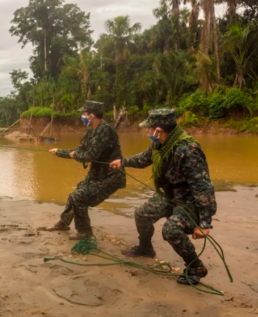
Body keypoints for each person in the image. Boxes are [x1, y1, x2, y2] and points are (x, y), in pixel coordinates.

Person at [110, 109, 216, 285]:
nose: (147, 132)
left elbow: (203, 187)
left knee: (171, 230)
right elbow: (144, 159)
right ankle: (145, 248)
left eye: (149, 128)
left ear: (158, 130)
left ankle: (195, 267)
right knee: (142, 215)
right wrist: (123, 162)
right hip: (169, 196)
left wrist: (205, 223)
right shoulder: (160, 144)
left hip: (188, 201)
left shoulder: (187, 150)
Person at [41, 100, 126, 240]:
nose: (82, 116)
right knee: (74, 194)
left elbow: (89, 156)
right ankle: (63, 223)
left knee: (79, 197)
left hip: (110, 177)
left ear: (91, 116)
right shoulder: (91, 131)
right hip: (96, 175)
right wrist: (59, 152)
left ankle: (85, 234)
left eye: (84, 114)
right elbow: (80, 150)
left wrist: (75, 155)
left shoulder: (105, 130)